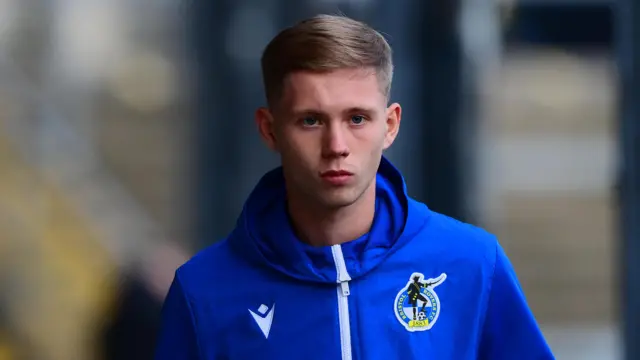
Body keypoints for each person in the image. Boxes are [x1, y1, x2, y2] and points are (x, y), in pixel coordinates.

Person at [155, 14, 554, 360]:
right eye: (311, 121)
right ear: (270, 129)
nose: (337, 147)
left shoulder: (471, 264)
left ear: (390, 125)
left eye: (357, 119)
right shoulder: (203, 293)